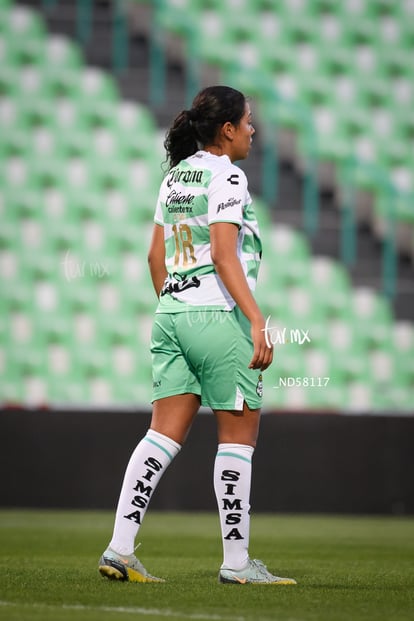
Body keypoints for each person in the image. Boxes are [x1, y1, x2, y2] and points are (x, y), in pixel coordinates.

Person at [98, 85, 297, 585]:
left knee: (160, 435)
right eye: (248, 121)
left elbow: (154, 258)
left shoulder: (175, 176)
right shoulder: (228, 175)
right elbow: (225, 256)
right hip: (217, 318)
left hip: (171, 314)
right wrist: (256, 319)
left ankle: (120, 549)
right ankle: (236, 564)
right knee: (238, 436)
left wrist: (178, 304)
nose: (254, 129)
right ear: (227, 129)